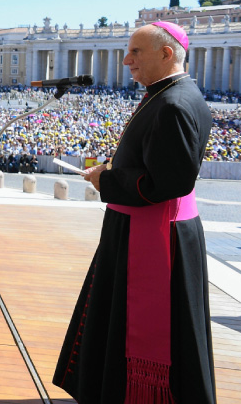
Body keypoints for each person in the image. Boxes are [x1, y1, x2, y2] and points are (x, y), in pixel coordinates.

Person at [53, 22, 216, 403]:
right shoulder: (170, 94)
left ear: (166, 53)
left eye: (136, 52)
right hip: (149, 227)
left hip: (153, 234)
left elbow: (168, 182)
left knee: (144, 327)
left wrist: (107, 179)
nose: (126, 60)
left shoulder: (172, 105)